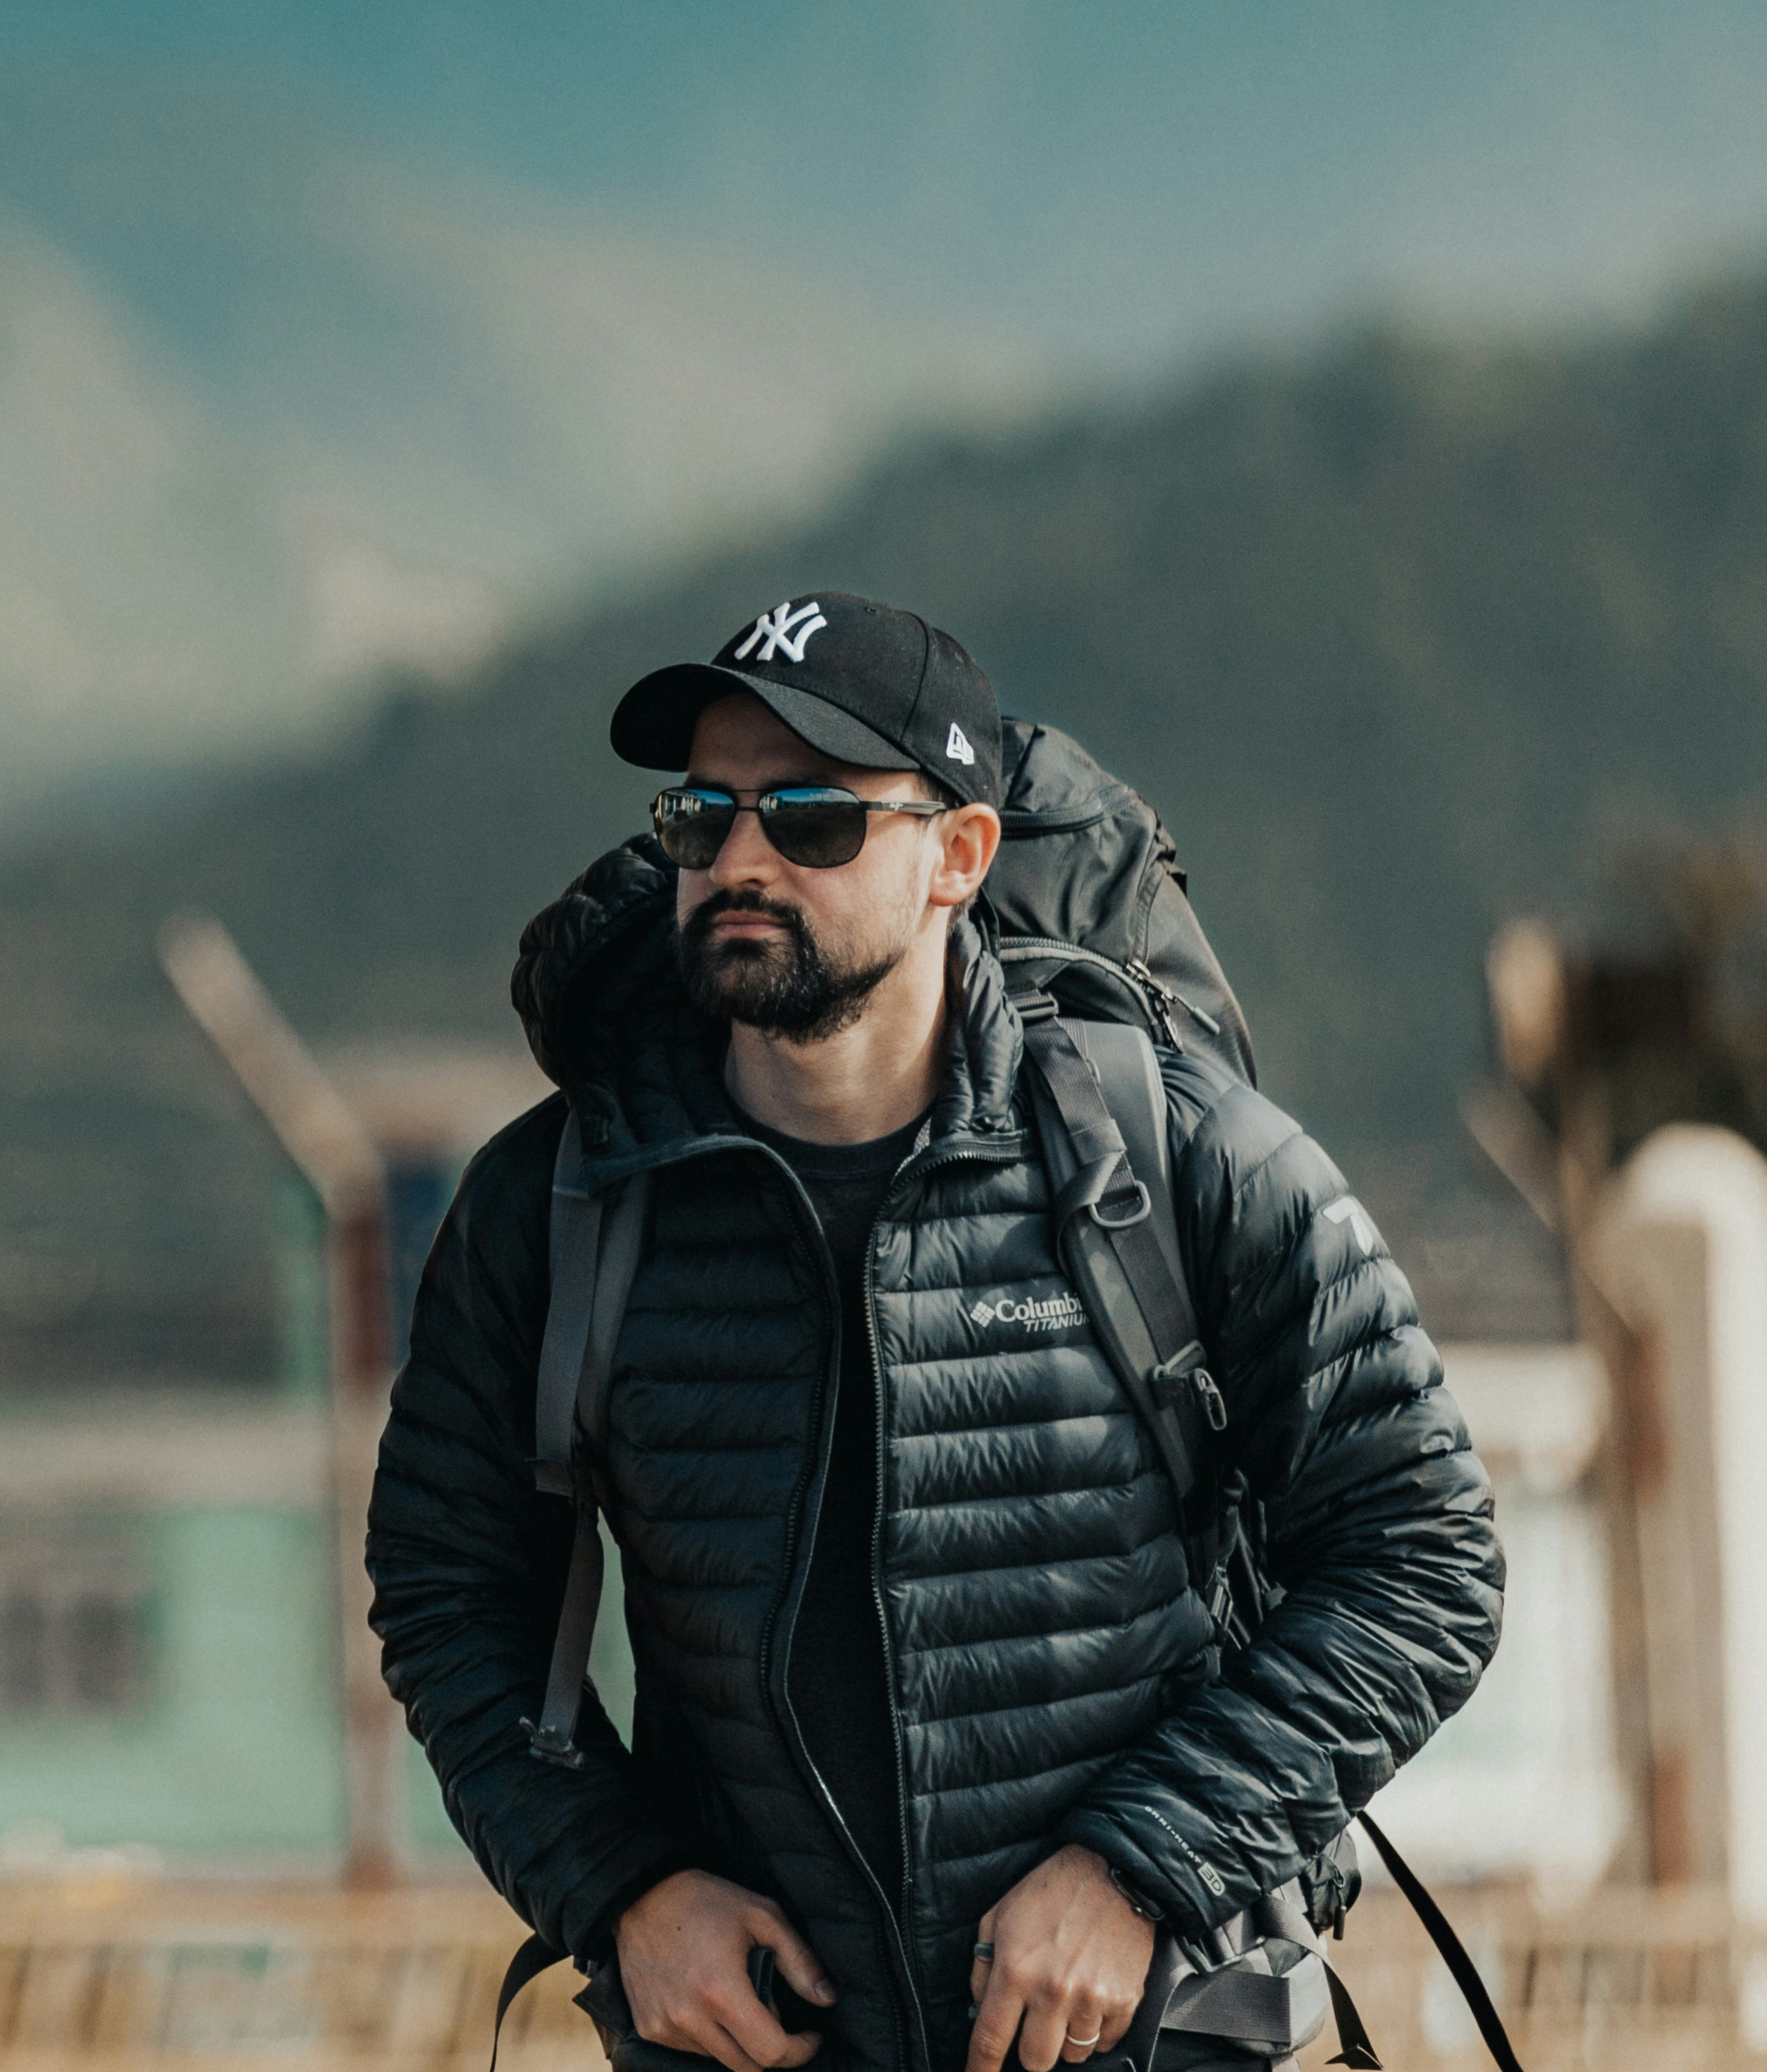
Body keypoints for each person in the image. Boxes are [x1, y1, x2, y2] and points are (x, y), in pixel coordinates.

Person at [369, 593, 1501, 2072]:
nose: (742, 859)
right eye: (703, 815)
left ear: (959, 854)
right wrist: (624, 1887)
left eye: (815, 819)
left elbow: (1424, 1554)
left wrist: (1141, 1865)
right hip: (765, 2044)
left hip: (1147, 2032)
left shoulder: (1168, 1150)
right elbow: (451, 1593)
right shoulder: (563, 1197)